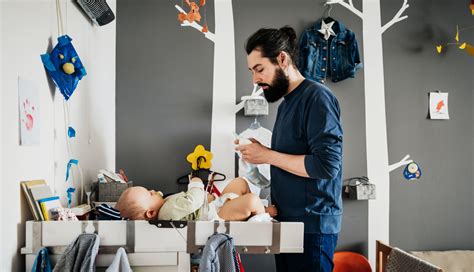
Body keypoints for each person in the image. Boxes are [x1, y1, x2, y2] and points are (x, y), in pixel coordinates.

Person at [236, 26, 343, 272]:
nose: (254, 79)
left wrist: (268, 155)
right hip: (287, 222)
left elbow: (326, 166)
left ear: (282, 59)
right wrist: (260, 152)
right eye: (252, 71)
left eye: (259, 69)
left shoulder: (318, 98)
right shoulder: (286, 105)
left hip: (311, 226)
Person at [115, 175, 278, 221]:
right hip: (215, 214)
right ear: (150, 213)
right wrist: (196, 183)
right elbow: (193, 200)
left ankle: (253, 211)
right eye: (149, 194)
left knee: (239, 182)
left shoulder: (165, 203)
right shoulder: (167, 212)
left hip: (214, 204)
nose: (152, 190)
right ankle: (262, 215)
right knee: (251, 200)